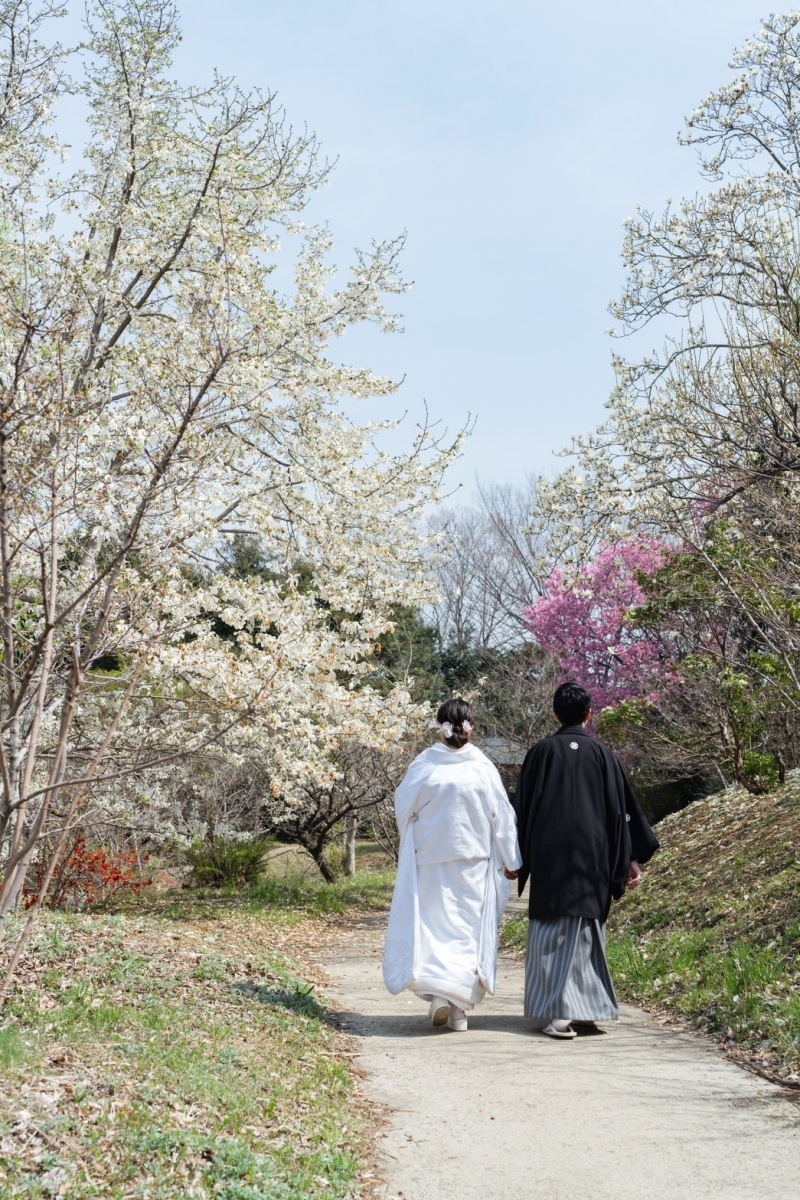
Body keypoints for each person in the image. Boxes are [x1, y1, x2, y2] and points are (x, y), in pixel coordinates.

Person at [513, 682, 659, 1039]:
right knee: (585, 929)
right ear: (589, 714)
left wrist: (515, 856)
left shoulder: (541, 752)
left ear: (554, 713)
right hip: (595, 854)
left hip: (550, 855)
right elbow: (623, 812)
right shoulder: (604, 755)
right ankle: (582, 1011)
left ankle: (561, 1013)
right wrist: (631, 858)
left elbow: (522, 809)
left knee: (552, 928)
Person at [382, 698, 522, 1032]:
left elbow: (404, 807)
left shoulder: (425, 764)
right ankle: (459, 1010)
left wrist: (414, 838)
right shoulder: (481, 766)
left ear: (440, 726)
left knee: (434, 929)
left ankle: (439, 998)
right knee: (469, 933)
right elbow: (501, 816)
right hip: (474, 861)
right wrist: (512, 859)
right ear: (470, 727)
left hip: (431, 859)